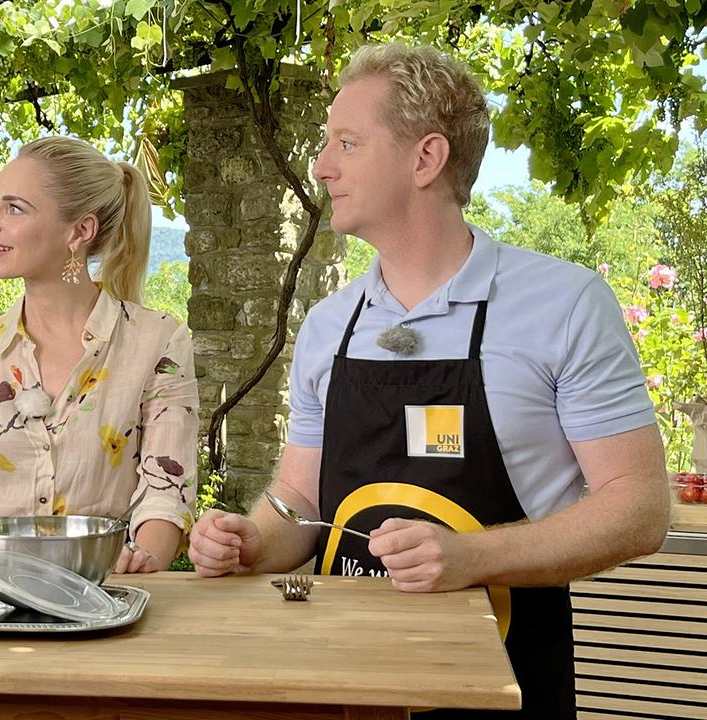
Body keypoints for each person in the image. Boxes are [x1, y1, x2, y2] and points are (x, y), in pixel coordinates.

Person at [189, 44, 668, 717]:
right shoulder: (331, 324)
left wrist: (472, 557)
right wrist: (251, 542)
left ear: (426, 158)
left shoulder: (564, 303)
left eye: (347, 143)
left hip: (506, 687)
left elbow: (640, 508)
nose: (322, 166)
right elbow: (299, 498)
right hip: (343, 687)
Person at [0, 136, 198, 574]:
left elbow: (166, 493)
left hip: (112, 600)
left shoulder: (160, 342)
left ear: (80, 230)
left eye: (14, 208)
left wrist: (137, 562)